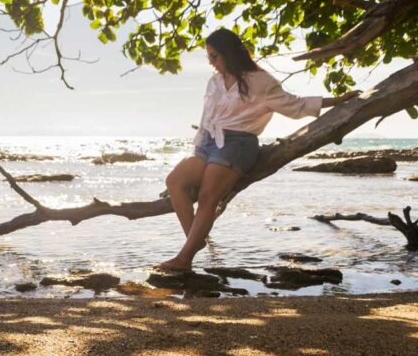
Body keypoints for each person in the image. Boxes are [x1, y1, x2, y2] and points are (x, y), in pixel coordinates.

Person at [154, 28, 359, 271]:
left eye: (214, 56)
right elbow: (206, 116)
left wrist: (336, 101)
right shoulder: (214, 82)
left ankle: (184, 259)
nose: (211, 62)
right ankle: (195, 242)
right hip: (210, 141)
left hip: (239, 144)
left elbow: (295, 105)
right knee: (174, 181)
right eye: (208, 57)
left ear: (229, 53)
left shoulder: (261, 81)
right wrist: (199, 146)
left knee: (208, 197)